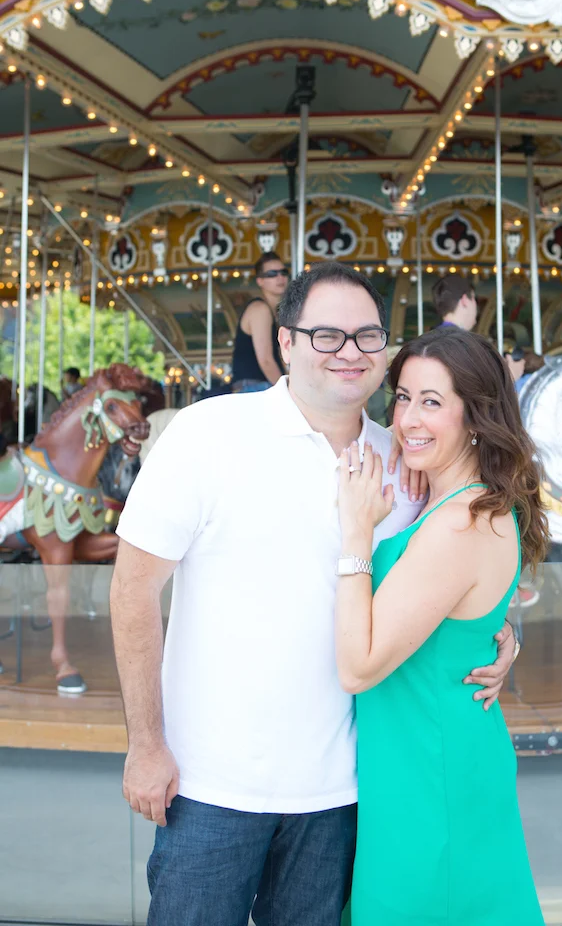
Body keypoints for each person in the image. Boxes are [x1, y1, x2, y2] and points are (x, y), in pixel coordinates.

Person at [110, 263, 518, 926]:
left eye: (367, 336)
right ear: (287, 341)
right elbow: (132, 592)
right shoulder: (208, 433)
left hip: (342, 795)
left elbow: (450, 580)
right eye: (326, 334)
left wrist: (494, 637)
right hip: (210, 785)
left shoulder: (407, 461)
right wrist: (146, 743)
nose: (349, 351)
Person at [336, 325, 549, 925]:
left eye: (432, 402)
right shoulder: (462, 505)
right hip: (420, 758)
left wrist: (355, 533)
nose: (408, 420)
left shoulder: (460, 522)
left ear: (476, 416)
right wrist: (502, 636)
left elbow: (358, 667)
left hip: (432, 772)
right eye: (403, 398)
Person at [231, 252, 288, 393]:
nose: (280, 277)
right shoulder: (260, 309)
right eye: (272, 274)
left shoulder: (272, 311)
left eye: (283, 272)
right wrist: (286, 392)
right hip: (255, 386)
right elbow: (266, 361)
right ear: (260, 281)